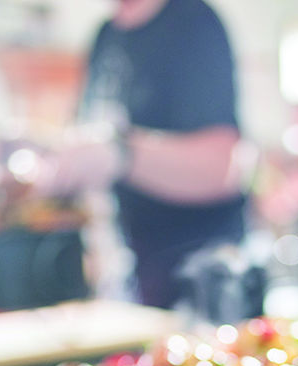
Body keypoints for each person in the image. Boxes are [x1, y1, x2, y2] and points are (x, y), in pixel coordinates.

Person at [36, 0, 248, 308]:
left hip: (200, 284)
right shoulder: (105, 36)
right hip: (132, 279)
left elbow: (221, 169)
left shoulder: (193, 21)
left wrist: (121, 153)